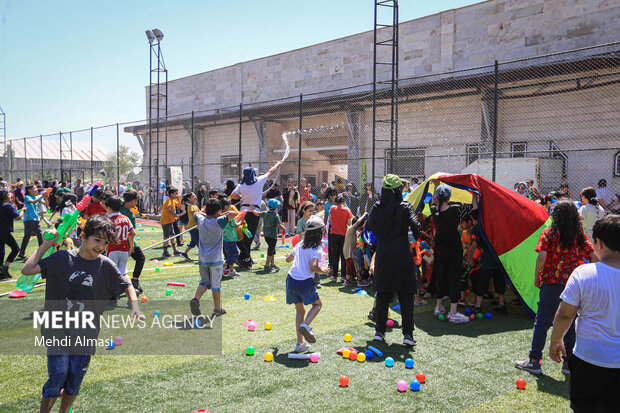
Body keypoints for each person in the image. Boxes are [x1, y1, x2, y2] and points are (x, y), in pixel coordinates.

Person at [20, 216, 142, 413]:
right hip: (56, 329)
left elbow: (126, 283)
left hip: (85, 333)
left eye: (105, 242)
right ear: (83, 237)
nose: (101, 246)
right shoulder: (62, 258)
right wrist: (45, 245)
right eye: (97, 240)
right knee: (58, 375)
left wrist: (135, 306)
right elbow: (27, 270)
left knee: (75, 376)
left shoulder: (104, 264)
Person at [515, 201, 598, 376]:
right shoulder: (580, 236)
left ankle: (534, 361)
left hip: (551, 282)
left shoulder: (548, 234)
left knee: (543, 321)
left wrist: (537, 276)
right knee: (569, 321)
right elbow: (593, 257)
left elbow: (542, 257)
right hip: (574, 284)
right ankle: (568, 364)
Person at [549, 214, 620, 412]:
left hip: (590, 359)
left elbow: (565, 314)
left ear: (598, 242)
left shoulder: (584, 273)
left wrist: (556, 340)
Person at [367, 174, 422, 346]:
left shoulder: (377, 207)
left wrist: (384, 232)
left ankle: (379, 332)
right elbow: (417, 227)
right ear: (398, 190)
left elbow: (369, 226)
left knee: (383, 295)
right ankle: (407, 335)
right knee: (406, 296)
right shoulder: (406, 207)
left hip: (383, 255)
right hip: (402, 256)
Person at [431, 182, 478, 323]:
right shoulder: (456, 210)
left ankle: (439, 306)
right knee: (454, 277)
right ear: (449, 196)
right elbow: (474, 206)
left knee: (440, 274)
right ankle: (453, 312)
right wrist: (474, 192)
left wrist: (436, 184)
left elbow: (434, 200)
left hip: (439, 245)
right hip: (453, 246)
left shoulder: (434, 209)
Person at [284, 215, 330, 353]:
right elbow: (313, 267)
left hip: (291, 280)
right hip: (304, 282)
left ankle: (300, 344)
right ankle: (305, 325)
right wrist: (324, 270)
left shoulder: (300, 244)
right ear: (319, 233)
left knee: (300, 310)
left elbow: (288, 260)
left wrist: (288, 256)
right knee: (318, 305)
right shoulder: (317, 248)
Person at [189, 198, 237, 317]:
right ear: (219, 212)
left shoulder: (200, 219)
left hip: (202, 258)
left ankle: (196, 299)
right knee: (216, 285)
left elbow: (196, 213)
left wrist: (206, 213)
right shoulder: (220, 221)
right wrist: (221, 214)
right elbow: (234, 213)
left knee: (205, 282)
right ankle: (217, 309)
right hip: (215, 260)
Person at [229, 162, 282, 268]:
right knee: (249, 236)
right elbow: (271, 171)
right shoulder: (259, 180)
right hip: (253, 212)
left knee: (245, 235)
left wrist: (241, 197)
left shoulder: (241, 185)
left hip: (243, 212)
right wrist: (277, 164)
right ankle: (242, 258)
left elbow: (232, 195)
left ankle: (247, 258)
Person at [120, 191, 146, 294]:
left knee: (119, 266)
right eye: (136, 200)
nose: (137, 202)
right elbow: (131, 233)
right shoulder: (130, 215)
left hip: (116, 243)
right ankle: (134, 281)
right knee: (140, 258)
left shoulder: (118, 209)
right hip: (127, 243)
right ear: (132, 201)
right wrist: (131, 247)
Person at [104, 196, 135, 283]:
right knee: (124, 273)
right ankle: (130, 290)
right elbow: (132, 233)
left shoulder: (109, 220)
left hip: (113, 249)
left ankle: (113, 293)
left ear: (109, 208)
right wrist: (131, 247)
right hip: (124, 249)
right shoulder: (125, 218)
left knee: (111, 273)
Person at [0, 188, 24, 279]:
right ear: (4, 196)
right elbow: (18, 217)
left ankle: (1, 271)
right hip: (5, 232)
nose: (10, 196)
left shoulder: (6, 205)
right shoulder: (8, 206)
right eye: (8, 194)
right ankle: (5, 268)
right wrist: (23, 210)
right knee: (15, 249)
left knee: (1, 251)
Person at [328, 194, 353, 282]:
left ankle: (334, 275)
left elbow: (330, 220)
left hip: (334, 233)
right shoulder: (347, 210)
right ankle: (343, 275)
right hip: (343, 234)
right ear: (344, 202)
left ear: (335, 202)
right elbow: (349, 223)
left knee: (335, 254)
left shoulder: (332, 208)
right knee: (343, 255)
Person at [18, 184, 46, 259]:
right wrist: (42, 196)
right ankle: (22, 252)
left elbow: (45, 204)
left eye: (36, 188)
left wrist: (45, 197)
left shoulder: (38, 197)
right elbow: (33, 202)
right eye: (34, 188)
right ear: (29, 190)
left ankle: (41, 252)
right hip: (28, 220)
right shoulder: (27, 197)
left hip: (36, 219)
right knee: (27, 237)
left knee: (40, 236)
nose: (36, 189)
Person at [260, 199, 286, 271]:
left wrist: (252, 209)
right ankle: (267, 265)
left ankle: (272, 264)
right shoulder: (276, 215)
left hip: (266, 235)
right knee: (270, 250)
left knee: (272, 249)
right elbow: (278, 225)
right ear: (276, 207)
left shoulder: (265, 213)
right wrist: (284, 229)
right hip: (273, 235)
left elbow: (257, 214)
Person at [343, 212, 368, 287]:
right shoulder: (351, 229)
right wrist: (364, 215)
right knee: (356, 265)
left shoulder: (353, 231)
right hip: (350, 252)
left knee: (350, 267)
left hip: (347, 252)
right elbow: (358, 222)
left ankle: (349, 280)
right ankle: (360, 281)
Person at [220, 198, 241, 277]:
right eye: (229, 205)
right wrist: (241, 221)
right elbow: (235, 225)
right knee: (235, 254)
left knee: (229, 255)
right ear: (226, 206)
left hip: (225, 237)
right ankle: (221, 267)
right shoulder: (228, 216)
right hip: (230, 238)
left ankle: (231, 270)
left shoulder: (221, 215)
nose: (231, 206)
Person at [160, 186, 182, 257]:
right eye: (176, 193)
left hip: (170, 220)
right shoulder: (169, 200)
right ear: (171, 194)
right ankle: (165, 252)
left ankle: (175, 250)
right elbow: (169, 209)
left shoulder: (173, 200)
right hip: (166, 221)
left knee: (172, 235)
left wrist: (178, 199)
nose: (177, 195)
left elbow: (180, 205)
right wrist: (175, 215)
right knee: (166, 236)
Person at [180, 192, 201, 260]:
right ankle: (202, 257)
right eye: (193, 196)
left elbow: (200, 213)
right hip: (193, 227)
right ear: (189, 198)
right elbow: (195, 213)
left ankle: (184, 253)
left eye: (195, 196)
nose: (195, 197)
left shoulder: (195, 206)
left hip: (196, 226)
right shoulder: (190, 206)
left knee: (194, 241)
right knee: (198, 242)